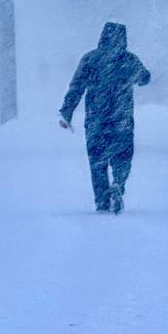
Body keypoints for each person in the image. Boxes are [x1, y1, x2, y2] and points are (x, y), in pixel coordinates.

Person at [59, 22, 151, 214]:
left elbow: (76, 87)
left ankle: (102, 200)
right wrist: (140, 76)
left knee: (97, 161)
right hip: (121, 118)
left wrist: (66, 112)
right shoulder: (128, 60)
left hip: (96, 119)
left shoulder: (90, 59)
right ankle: (118, 183)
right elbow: (144, 78)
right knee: (123, 156)